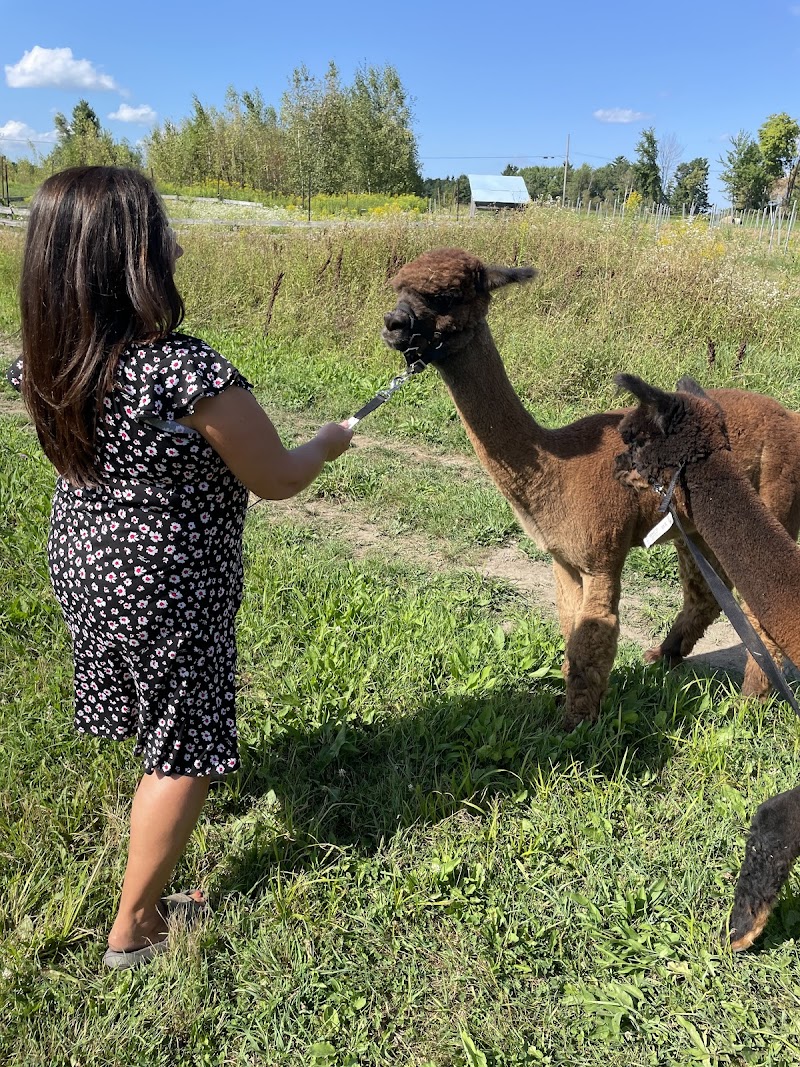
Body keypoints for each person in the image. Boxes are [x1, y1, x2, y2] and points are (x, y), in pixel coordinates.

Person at [7, 165, 353, 969]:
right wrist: (328, 443)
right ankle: (137, 927)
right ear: (129, 257)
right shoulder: (183, 371)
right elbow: (276, 478)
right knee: (186, 745)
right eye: (160, 233)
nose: (176, 243)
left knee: (148, 700)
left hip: (85, 560)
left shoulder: (42, 359)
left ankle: (147, 819)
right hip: (168, 583)